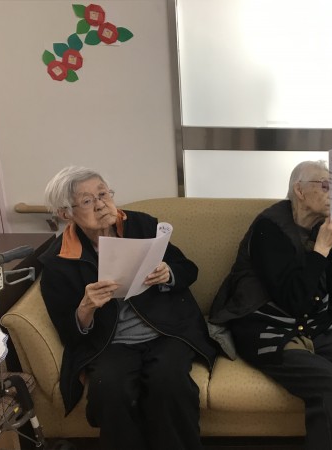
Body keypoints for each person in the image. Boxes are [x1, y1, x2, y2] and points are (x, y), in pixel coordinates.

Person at [209, 160, 332, 450]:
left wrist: (331, 247)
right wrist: (320, 250)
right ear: (299, 190)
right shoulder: (268, 229)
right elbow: (293, 299)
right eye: (326, 185)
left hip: (312, 326)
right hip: (268, 329)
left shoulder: (320, 228)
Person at [40, 166, 217, 450]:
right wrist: (86, 307)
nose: (100, 205)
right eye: (87, 201)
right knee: (110, 389)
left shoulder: (142, 225)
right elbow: (68, 332)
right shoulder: (58, 260)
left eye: (103, 194)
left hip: (166, 331)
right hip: (110, 343)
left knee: (168, 382)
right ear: (66, 214)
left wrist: (168, 273)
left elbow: (188, 269)